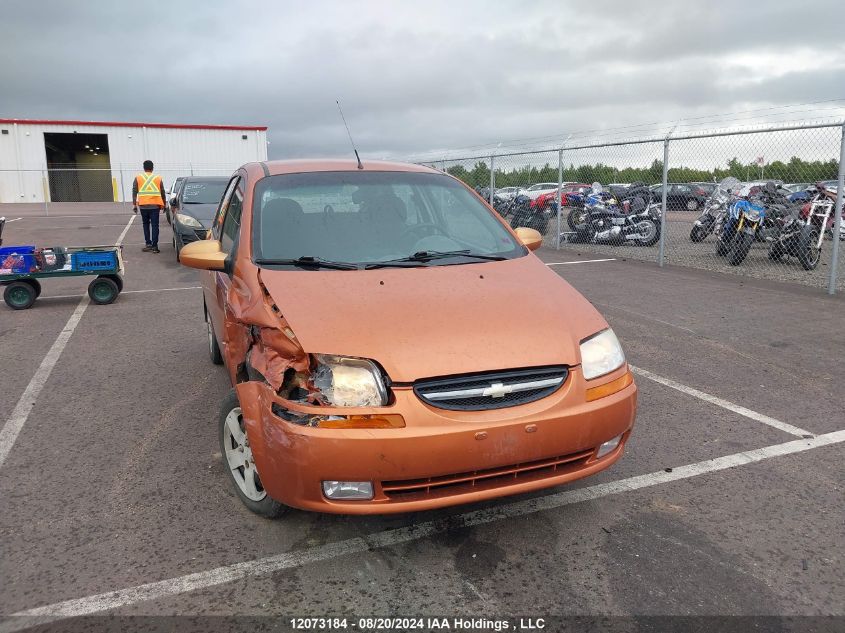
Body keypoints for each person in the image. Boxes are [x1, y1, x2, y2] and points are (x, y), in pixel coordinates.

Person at [132, 160, 167, 253]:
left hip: (143, 205)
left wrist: (134, 205)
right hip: (155, 206)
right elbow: (162, 192)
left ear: (144, 168)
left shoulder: (138, 177)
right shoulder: (158, 178)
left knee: (145, 224)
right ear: (152, 168)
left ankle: (148, 244)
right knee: (155, 225)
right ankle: (155, 247)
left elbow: (134, 191)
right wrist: (164, 204)